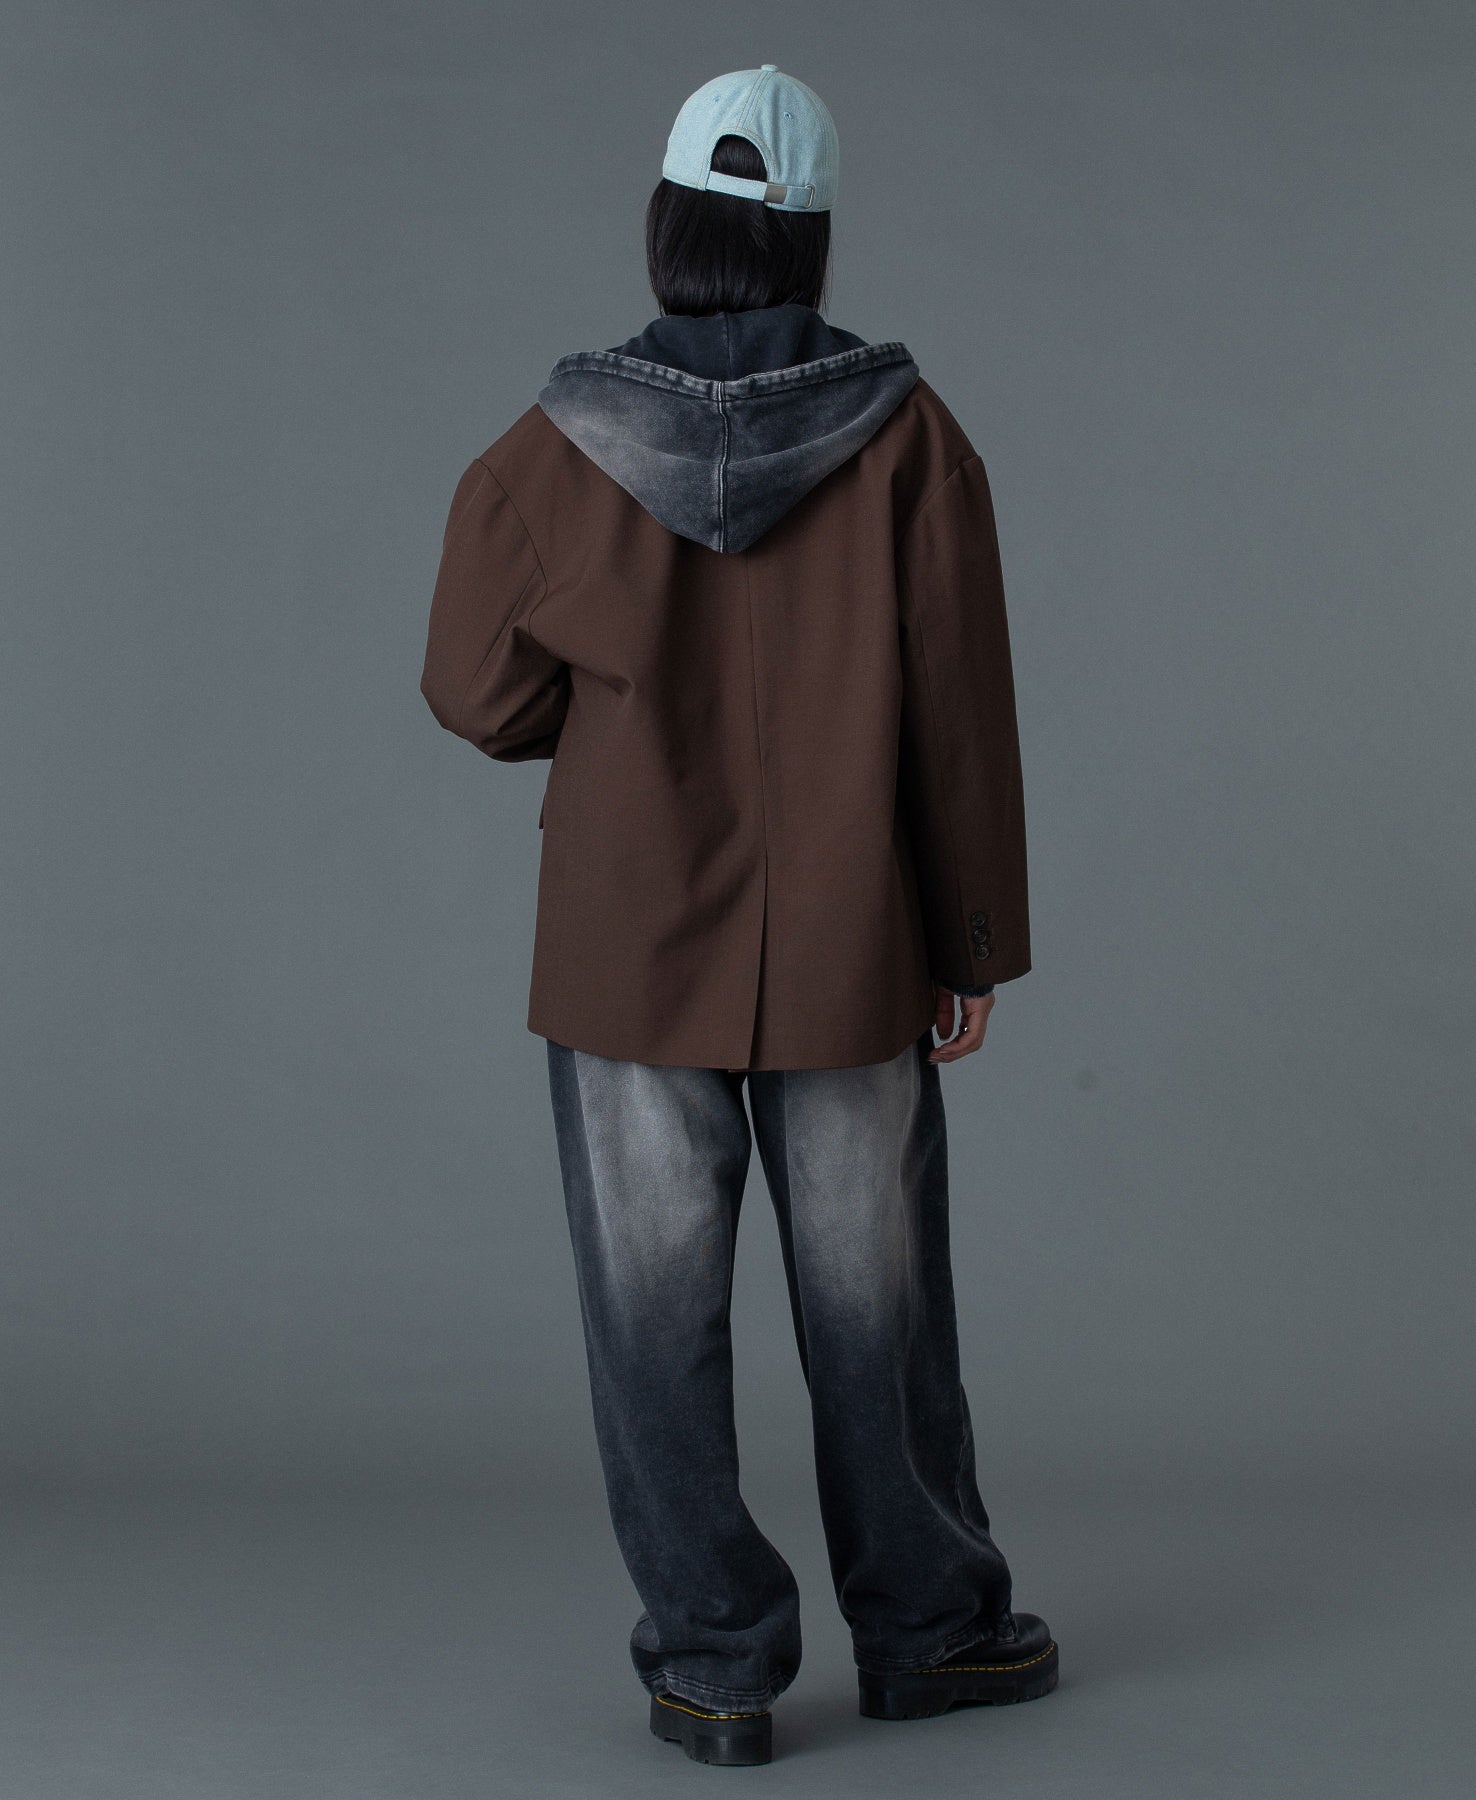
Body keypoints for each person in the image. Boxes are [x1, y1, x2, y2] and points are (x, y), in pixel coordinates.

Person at [419, 63, 1056, 1768]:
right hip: (854, 936)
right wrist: (971, 941)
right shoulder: (909, 432)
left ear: (671, 223)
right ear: (812, 235)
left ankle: (712, 1668)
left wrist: (611, 723)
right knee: (878, 1308)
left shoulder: (558, 441)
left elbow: (472, 688)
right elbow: (958, 708)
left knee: (652, 1320)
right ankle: (930, 1634)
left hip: (627, 946)